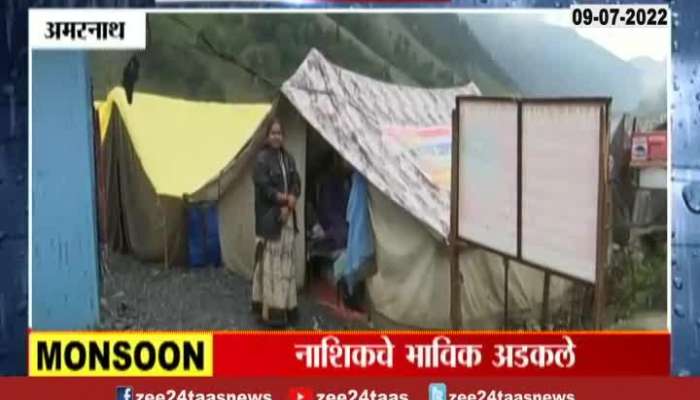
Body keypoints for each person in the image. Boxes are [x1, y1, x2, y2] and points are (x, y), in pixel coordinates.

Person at [251, 118, 301, 327]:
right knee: (271, 267)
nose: (277, 136)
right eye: (273, 133)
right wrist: (283, 200)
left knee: (285, 265)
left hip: (286, 218)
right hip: (269, 220)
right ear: (267, 136)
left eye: (279, 133)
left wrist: (290, 204)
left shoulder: (288, 159)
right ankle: (270, 313)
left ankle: (287, 309)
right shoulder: (261, 160)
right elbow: (264, 188)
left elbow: (296, 182)